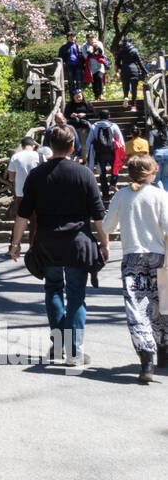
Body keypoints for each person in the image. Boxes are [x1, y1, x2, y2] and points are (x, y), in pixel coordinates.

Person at [10, 125, 108, 365]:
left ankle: (57, 345)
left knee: (53, 289)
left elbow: (22, 213)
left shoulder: (37, 175)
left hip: (47, 242)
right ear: (73, 145)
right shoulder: (83, 174)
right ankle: (74, 350)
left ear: (49, 146)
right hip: (78, 243)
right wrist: (104, 243)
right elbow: (98, 214)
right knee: (76, 294)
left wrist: (15, 243)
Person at [101, 154, 168, 383]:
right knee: (161, 305)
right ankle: (164, 353)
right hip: (158, 256)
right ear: (151, 172)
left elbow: (108, 225)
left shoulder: (122, 195)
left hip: (132, 257)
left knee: (137, 307)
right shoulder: (160, 195)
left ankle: (146, 359)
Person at [87, 106, 124, 200]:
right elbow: (120, 140)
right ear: (109, 116)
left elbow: (89, 141)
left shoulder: (94, 126)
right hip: (112, 152)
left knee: (102, 174)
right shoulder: (114, 126)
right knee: (115, 168)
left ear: (99, 117)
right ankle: (113, 183)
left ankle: (106, 195)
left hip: (99, 153)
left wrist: (89, 153)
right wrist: (123, 152)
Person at [7, 136, 42, 234]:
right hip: (37, 194)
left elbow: (11, 178)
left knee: (19, 221)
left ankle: (14, 246)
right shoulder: (40, 156)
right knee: (35, 223)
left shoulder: (15, 156)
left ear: (22, 146)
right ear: (33, 146)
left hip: (21, 194)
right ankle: (33, 246)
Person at [115, 36, 147, 111]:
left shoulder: (121, 51)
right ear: (130, 42)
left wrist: (120, 69)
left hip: (124, 70)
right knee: (134, 89)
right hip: (134, 70)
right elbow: (140, 62)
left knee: (125, 87)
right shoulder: (134, 50)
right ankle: (133, 106)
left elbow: (117, 63)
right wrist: (145, 71)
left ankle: (126, 97)